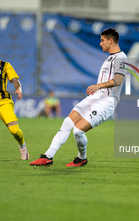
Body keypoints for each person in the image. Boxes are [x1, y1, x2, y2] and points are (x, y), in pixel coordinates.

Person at [30, 28, 127, 167]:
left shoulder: (121, 57)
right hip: (95, 97)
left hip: (106, 102)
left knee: (78, 131)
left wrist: (98, 86)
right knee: (67, 122)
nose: (100, 43)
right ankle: (47, 156)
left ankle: (81, 158)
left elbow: (118, 80)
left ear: (111, 40)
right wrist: (97, 88)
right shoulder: (109, 58)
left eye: (102, 40)